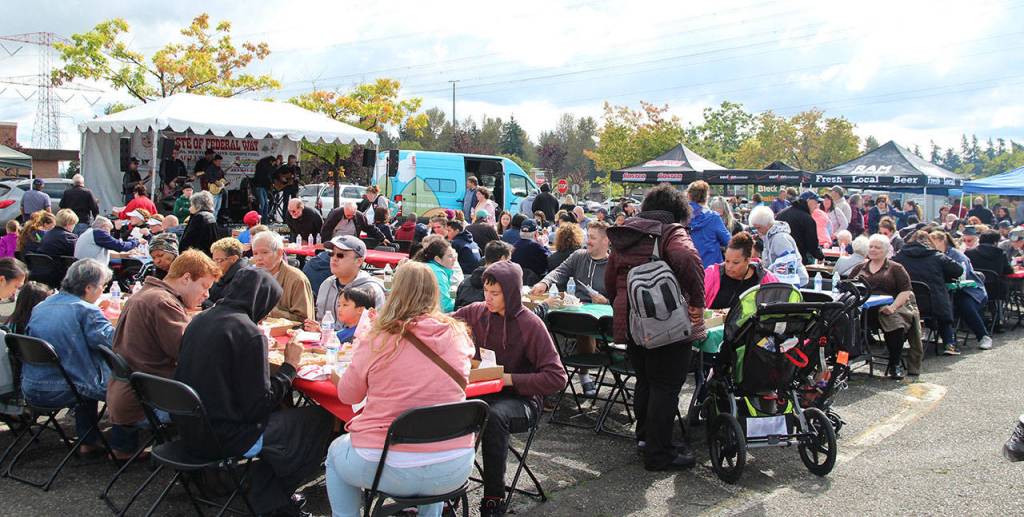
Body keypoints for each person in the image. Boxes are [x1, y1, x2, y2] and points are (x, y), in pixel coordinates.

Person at [175, 268, 333, 517]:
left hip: (190, 427)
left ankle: (266, 485)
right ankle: (276, 498)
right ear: (262, 300)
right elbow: (260, 405)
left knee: (287, 417)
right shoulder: (247, 333)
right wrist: (290, 366)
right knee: (320, 418)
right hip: (226, 436)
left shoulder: (200, 320)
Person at [327, 262, 475, 517]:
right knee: (435, 430)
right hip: (454, 463)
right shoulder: (458, 335)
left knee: (335, 453)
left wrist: (334, 376)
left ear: (395, 291)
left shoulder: (377, 338)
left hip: (388, 463)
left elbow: (348, 396)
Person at [605, 184, 705, 472]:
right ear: (677, 210)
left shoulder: (627, 234)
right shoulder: (670, 231)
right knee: (666, 386)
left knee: (646, 381)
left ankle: (645, 440)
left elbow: (610, 279)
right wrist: (697, 300)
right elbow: (688, 258)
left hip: (631, 322)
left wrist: (620, 306)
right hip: (665, 321)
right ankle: (659, 453)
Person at [452, 261, 565, 516]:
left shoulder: (530, 325)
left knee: (493, 417)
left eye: (495, 294)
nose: (488, 299)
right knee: (448, 409)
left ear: (511, 293)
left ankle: (493, 497)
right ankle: (448, 492)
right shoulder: (476, 312)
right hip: (481, 393)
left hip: (521, 400)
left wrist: (508, 379)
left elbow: (557, 378)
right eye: (486, 292)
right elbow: (441, 325)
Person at [106, 250, 220, 458]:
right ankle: (212, 454)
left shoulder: (148, 294)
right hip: (149, 399)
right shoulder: (163, 303)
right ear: (186, 278)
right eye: (204, 286)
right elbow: (188, 353)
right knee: (227, 393)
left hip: (130, 391)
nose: (207, 295)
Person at [22, 259, 128, 455]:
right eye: (102, 286)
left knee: (81, 373)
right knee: (124, 384)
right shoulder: (85, 310)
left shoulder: (43, 305)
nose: (102, 289)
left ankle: (88, 440)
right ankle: (123, 448)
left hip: (32, 384)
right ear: (89, 288)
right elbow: (115, 343)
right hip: (66, 386)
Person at [849, 235, 922, 378]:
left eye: (877, 247)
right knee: (842, 320)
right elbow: (848, 286)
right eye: (871, 247)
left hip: (888, 307)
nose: (873, 250)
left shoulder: (896, 268)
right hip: (863, 308)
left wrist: (893, 307)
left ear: (886, 250)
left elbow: (906, 291)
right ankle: (844, 361)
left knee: (895, 324)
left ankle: (895, 364)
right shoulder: (859, 267)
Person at [893, 230, 963, 356]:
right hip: (934, 304)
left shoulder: (899, 256)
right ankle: (949, 343)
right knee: (945, 311)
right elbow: (958, 270)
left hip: (907, 302)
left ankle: (896, 344)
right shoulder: (937, 256)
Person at [304, 235, 385, 330]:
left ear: (359, 261)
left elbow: (374, 332)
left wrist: (326, 333)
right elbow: (320, 321)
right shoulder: (327, 284)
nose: (334, 258)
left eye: (340, 255)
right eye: (331, 254)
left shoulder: (371, 290)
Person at [929, 231, 992, 350]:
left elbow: (962, 275)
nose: (930, 245)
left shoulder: (957, 255)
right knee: (939, 306)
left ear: (942, 241)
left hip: (969, 290)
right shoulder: (933, 255)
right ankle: (946, 338)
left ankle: (983, 336)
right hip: (946, 291)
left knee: (966, 306)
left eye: (933, 242)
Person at [704, 232, 779, 309]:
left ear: (748, 260)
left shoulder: (767, 279)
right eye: (727, 261)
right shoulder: (711, 274)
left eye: (735, 263)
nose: (729, 267)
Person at [250, 230, 314, 322]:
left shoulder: (296, 279)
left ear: (279, 253)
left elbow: (304, 320)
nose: (259, 258)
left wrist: (269, 312)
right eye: (255, 253)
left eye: (264, 252)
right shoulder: (252, 277)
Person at [966, 229, 1014, 329]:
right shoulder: (1000, 254)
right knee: (1003, 287)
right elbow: (1008, 271)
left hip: (975, 288)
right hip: (995, 289)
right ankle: (998, 321)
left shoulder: (969, 253)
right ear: (995, 242)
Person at [748, 205, 808, 286]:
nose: (758, 231)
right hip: (783, 281)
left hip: (793, 283)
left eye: (759, 228)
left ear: (767, 224)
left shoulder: (780, 239)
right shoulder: (769, 237)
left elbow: (788, 265)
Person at [456, 240, 512, 309]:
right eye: (509, 260)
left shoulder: (465, 282)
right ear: (503, 259)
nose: (509, 264)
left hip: (462, 318)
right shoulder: (502, 284)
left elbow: (456, 308)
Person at [776, 191, 825, 265]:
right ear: (809, 201)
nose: (817, 206)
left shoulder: (781, 214)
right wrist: (820, 256)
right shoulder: (807, 219)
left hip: (779, 259)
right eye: (816, 202)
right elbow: (812, 244)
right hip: (799, 260)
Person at [74, 216, 140, 266]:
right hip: (90, 268)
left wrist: (121, 255)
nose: (109, 234)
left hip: (85, 265)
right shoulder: (98, 233)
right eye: (109, 230)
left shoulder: (89, 232)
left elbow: (103, 252)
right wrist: (136, 241)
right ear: (104, 226)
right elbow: (120, 246)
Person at [414, 236, 457, 313]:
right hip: (426, 316)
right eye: (450, 256)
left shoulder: (423, 265)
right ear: (437, 259)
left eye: (454, 255)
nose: (454, 259)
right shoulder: (438, 272)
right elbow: (445, 305)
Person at [207, 237, 249, 308]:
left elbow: (227, 307)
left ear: (233, 259)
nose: (215, 264)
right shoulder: (222, 273)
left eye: (219, 260)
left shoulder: (244, 278)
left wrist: (204, 304)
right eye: (214, 260)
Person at [321, 201, 387, 244]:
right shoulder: (335, 214)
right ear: (344, 210)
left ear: (355, 211)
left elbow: (369, 227)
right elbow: (325, 230)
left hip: (351, 243)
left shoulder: (359, 216)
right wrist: (327, 244)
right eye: (347, 215)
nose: (349, 217)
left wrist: (382, 238)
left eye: (351, 215)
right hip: (335, 242)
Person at [179, 191, 221, 256]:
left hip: (196, 257)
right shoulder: (210, 216)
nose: (189, 209)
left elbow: (189, 240)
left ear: (198, 206)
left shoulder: (199, 217)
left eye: (192, 205)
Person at [510, 219, 549, 286]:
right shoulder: (537, 247)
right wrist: (544, 246)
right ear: (536, 233)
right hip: (535, 283)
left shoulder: (513, 247)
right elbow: (550, 259)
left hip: (516, 282)